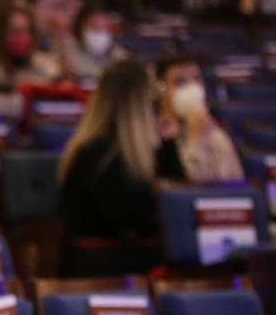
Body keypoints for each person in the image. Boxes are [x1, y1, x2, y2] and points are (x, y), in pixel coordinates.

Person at [57, 58, 180, 255]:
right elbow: (135, 222)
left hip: (129, 258)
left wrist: (168, 145)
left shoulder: (138, 152)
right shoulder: (96, 156)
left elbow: (174, 202)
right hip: (104, 265)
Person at [155, 51, 244, 183]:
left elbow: (233, 193)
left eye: (197, 80)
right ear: (161, 90)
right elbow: (183, 194)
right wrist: (197, 143)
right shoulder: (154, 138)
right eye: (179, 81)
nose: (192, 88)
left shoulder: (216, 136)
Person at [57, 6, 128, 83]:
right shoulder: (68, 49)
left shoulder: (117, 53)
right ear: (81, 27)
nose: (101, 34)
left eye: (105, 28)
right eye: (95, 27)